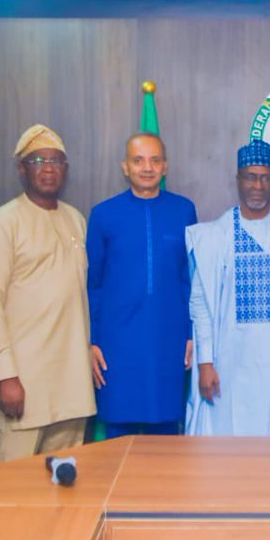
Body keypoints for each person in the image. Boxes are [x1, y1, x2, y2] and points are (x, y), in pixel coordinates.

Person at [185, 140, 270, 436]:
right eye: (250, 177)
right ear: (238, 180)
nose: (258, 186)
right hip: (228, 362)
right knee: (228, 441)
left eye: (265, 177)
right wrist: (205, 362)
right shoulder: (213, 237)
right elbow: (201, 305)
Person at [0, 125, 95, 461]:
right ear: (21, 169)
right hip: (25, 384)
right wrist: (7, 377)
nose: (48, 168)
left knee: (64, 488)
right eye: (38, 160)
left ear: (66, 169)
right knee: (15, 493)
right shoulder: (2, 223)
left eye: (56, 161)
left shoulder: (76, 220)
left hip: (72, 383)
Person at [87, 133, 197, 438]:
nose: (147, 168)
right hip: (116, 342)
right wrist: (93, 341)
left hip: (168, 338)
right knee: (117, 432)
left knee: (165, 435)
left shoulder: (183, 211)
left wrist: (191, 333)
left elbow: (190, 278)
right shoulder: (103, 214)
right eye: (138, 160)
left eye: (155, 160)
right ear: (125, 167)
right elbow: (92, 284)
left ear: (165, 167)